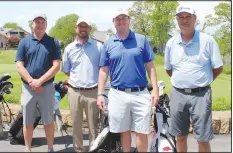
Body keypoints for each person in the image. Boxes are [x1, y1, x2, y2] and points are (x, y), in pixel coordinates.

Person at [97, 8, 159, 152]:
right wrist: (100, 94)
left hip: (140, 93)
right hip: (118, 94)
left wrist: (155, 89)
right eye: (118, 19)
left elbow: (150, 67)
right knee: (123, 131)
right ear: (113, 22)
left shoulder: (141, 40)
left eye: (124, 18)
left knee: (142, 132)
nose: (121, 21)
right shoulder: (108, 44)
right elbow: (103, 70)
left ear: (129, 20)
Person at [164, 5, 223, 152]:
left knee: (202, 138)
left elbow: (218, 68)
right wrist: (184, 82)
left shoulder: (207, 40)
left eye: (188, 16)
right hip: (178, 94)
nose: (184, 20)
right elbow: (168, 69)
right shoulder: (171, 43)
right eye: (181, 17)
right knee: (180, 136)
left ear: (195, 19)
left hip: (201, 94)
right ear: (177, 20)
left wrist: (201, 82)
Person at [15, 13, 61, 152]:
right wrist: (31, 82)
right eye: (37, 22)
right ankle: (27, 149)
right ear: (32, 24)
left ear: (46, 24)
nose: (40, 25)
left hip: (46, 87)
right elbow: (19, 65)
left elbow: (56, 66)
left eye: (42, 22)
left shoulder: (53, 42)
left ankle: (50, 148)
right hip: (28, 88)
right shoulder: (24, 42)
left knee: (48, 121)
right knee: (27, 121)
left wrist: (40, 81)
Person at [61, 18, 102, 152]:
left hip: (93, 91)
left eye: (86, 26)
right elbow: (67, 70)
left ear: (90, 29)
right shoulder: (69, 48)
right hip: (74, 91)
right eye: (80, 26)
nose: (83, 29)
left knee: (93, 126)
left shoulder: (99, 47)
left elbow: (103, 69)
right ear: (76, 28)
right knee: (76, 125)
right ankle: (79, 150)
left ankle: (93, 149)